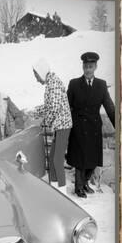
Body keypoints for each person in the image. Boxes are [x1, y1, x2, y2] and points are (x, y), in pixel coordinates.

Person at [67, 52, 115, 198]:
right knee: (80, 160)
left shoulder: (101, 85)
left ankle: (85, 182)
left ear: (95, 67)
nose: (88, 70)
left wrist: (119, 126)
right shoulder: (74, 84)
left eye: (91, 66)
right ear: (82, 67)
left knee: (93, 159)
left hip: (94, 127)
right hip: (79, 127)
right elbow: (66, 106)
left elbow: (109, 107)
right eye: (85, 66)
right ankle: (78, 187)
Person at [31, 58, 72, 194]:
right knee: (53, 158)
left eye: (36, 75)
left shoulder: (53, 83)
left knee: (57, 160)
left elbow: (53, 109)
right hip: (59, 126)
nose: (36, 79)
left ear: (41, 72)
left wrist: (45, 122)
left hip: (63, 126)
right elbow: (50, 106)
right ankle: (55, 190)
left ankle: (62, 193)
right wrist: (35, 111)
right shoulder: (51, 82)